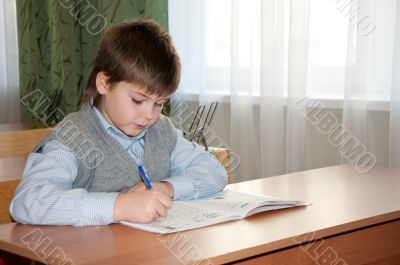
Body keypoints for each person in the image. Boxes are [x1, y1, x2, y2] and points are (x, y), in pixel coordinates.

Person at [10, 18, 227, 226]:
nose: (149, 114)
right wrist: (119, 206)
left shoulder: (161, 130)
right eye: (138, 100)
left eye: (159, 103)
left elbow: (214, 172)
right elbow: (27, 202)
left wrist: (167, 188)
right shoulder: (71, 138)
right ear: (104, 84)